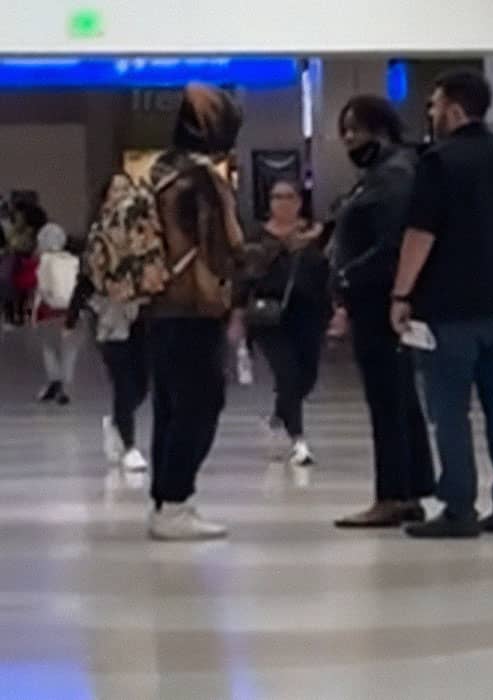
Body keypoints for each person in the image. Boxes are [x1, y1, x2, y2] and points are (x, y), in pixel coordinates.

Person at [390, 70, 493, 538]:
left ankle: (459, 507)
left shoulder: (438, 162)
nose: (431, 112)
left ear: (455, 110)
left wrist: (401, 294)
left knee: (450, 408)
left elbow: (421, 233)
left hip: (451, 306)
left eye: (435, 105)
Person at [147, 83, 245, 541]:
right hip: (195, 307)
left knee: (169, 407)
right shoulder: (203, 181)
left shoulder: (159, 171)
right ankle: (176, 502)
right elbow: (226, 245)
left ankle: (164, 501)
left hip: (159, 307)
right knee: (201, 404)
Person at [332, 95, 434, 528]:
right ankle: (409, 487)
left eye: (355, 130)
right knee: (398, 395)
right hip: (372, 297)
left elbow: (391, 241)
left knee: (388, 398)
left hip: (379, 299)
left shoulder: (393, 175)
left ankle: (393, 492)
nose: (349, 140)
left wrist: (348, 275)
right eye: (345, 132)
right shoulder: (379, 174)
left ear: (380, 128)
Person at [66, 173, 150, 472]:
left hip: (143, 313)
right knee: (124, 381)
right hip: (111, 317)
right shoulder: (98, 235)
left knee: (142, 382)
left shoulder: (146, 233)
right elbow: (86, 278)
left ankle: (116, 421)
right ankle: (128, 445)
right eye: (116, 190)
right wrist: (72, 316)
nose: (123, 195)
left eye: (127, 189)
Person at [245, 179, 330, 467]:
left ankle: (281, 413)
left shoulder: (316, 234)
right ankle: (298, 439)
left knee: (307, 376)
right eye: (276, 197)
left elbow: (327, 270)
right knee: (287, 373)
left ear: (298, 201)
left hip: (308, 314)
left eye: (288, 197)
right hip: (270, 316)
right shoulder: (258, 236)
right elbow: (249, 271)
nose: (282, 203)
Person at [32, 222, 82, 405]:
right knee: (69, 351)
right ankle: (65, 385)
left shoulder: (45, 260)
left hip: (49, 311)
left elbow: (42, 288)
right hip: (72, 311)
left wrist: (34, 312)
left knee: (49, 349)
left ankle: (54, 381)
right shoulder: (74, 260)